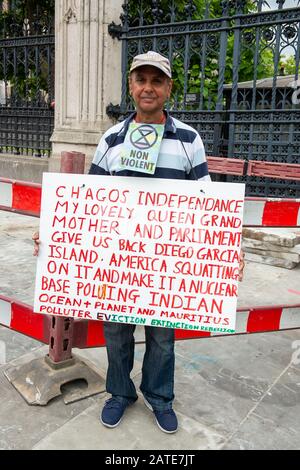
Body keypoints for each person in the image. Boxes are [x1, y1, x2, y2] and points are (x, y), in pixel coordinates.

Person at [33, 50, 245, 433]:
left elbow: (206, 203)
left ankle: (160, 397)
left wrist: (229, 249)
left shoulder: (188, 140)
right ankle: (119, 392)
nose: (148, 88)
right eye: (141, 80)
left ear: (169, 88)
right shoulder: (112, 139)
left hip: (165, 265)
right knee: (116, 331)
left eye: (157, 81)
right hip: (117, 265)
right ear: (131, 86)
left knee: (162, 337)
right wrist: (53, 234)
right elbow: (86, 201)